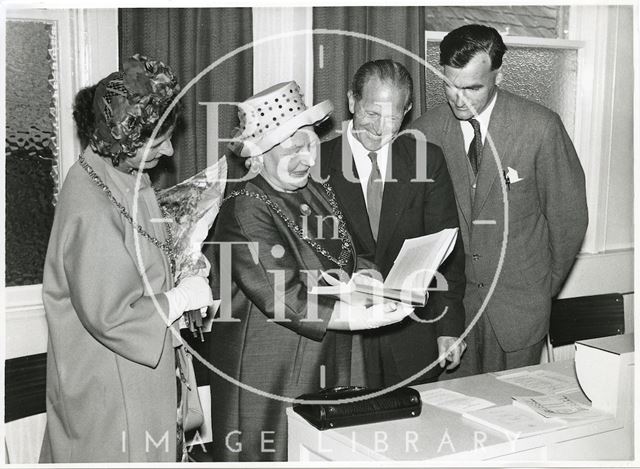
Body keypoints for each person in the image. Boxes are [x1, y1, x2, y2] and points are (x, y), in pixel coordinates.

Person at [207, 81, 413, 462]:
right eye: (292, 151)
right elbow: (282, 297)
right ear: (259, 155)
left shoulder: (314, 190)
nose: (305, 159)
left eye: (310, 145)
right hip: (273, 366)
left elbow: (350, 252)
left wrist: (367, 278)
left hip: (330, 353)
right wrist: (361, 318)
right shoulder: (245, 207)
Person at [40, 54, 214, 463]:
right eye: (158, 140)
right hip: (112, 392)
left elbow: (141, 264)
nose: (170, 150)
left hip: (135, 376)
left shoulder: (121, 174)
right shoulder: (89, 205)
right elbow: (112, 316)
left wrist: (185, 268)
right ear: (121, 137)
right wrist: (182, 298)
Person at [411, 24, 588, 376]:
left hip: (519, 313)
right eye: (449, 84)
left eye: (472, 87)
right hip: (451, 315)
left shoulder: (541, 127)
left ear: (498, 75)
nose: (458, 99)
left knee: (513, 419)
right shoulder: (425, 132)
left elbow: (569, 220)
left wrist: (539, 289)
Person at [319, 59, 466, 387]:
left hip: (412, 336)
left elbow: (447, 252)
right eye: (371, 113)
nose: (379, 128)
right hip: (343, 338)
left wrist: (449, 329)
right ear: (352, 101)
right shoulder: (315, 162)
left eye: (392, 117)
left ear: (408, 110)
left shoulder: (428, 159)